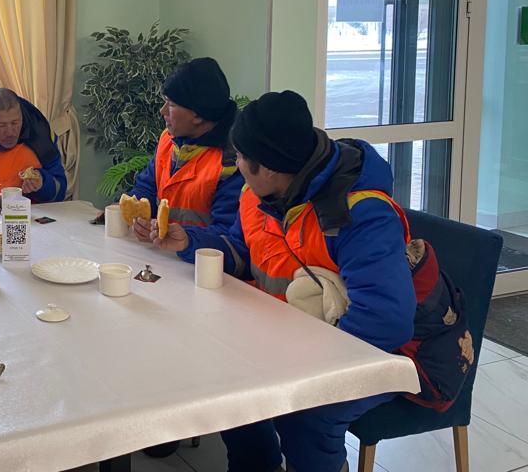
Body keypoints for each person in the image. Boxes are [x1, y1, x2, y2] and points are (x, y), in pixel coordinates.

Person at [138, 90, 416, 472]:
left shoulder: (360, 214)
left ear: (268, 168)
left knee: (305, 414)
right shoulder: (258, 193)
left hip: (374, 354)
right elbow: (240, 252)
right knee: (225, 375)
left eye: (241, 158)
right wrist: (188, 241)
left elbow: (386, 320)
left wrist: (302, 369)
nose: (236, 166)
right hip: (286, 335)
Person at [127, 57, 242, 231]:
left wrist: (184, 239)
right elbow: (147, 187)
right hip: (160, 246)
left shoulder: (233, 161)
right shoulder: (168, 138)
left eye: (172, 105)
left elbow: (226, 232)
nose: (162, 111)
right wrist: (133, 210)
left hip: (195, 249)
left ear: (198, 115)